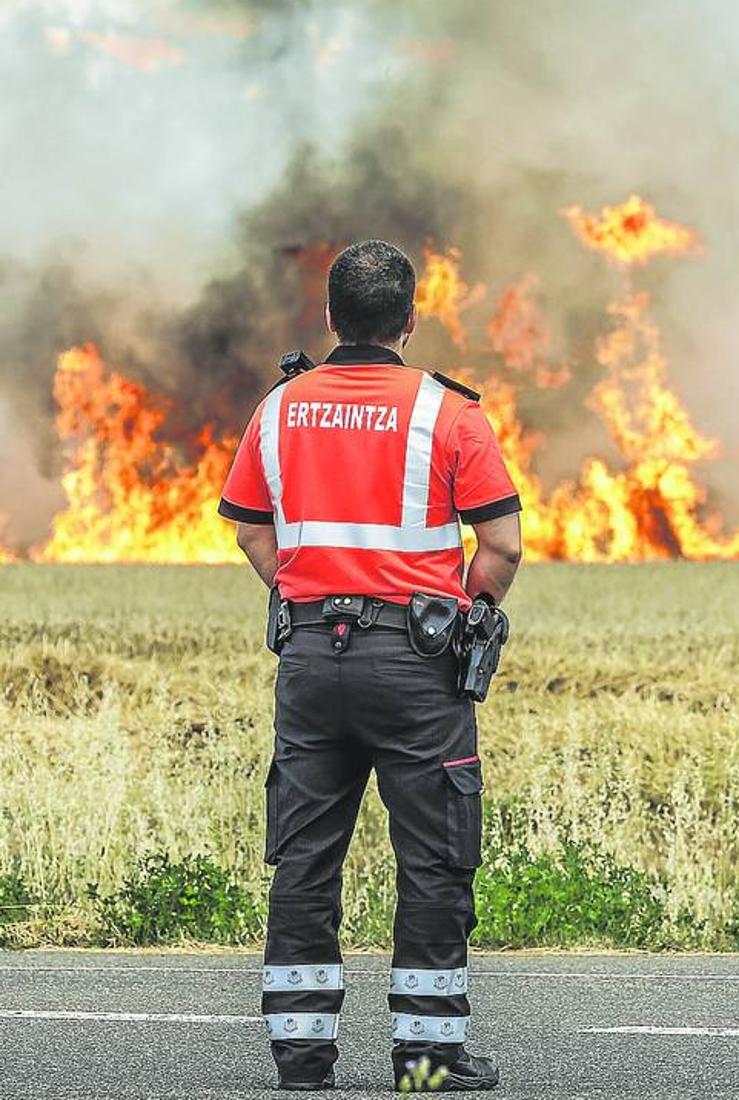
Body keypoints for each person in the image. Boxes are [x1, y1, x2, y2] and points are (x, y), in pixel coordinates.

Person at [217, 239, 522, 1092]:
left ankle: (303, 1059)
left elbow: (247, 526)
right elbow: (500, 544)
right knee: (434, 856)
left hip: (310, 656)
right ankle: (424, 1060)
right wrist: (456, 612)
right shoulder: (448, 413)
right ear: (410, 319)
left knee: (306, 856)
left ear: (329, 319)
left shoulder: (278, 410)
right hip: (417, 665)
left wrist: (311, 590)